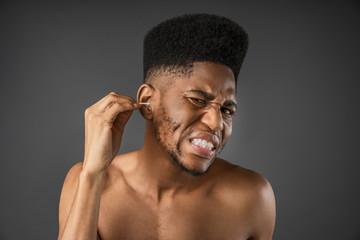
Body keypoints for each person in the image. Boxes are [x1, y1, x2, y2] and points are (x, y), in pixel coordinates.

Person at [57, 14, 276, 240]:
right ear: (148, 101)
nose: (216, 123)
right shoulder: (86, 181)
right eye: (198, 100)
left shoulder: (251, 197)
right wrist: (92, 174)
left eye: (227, 110)